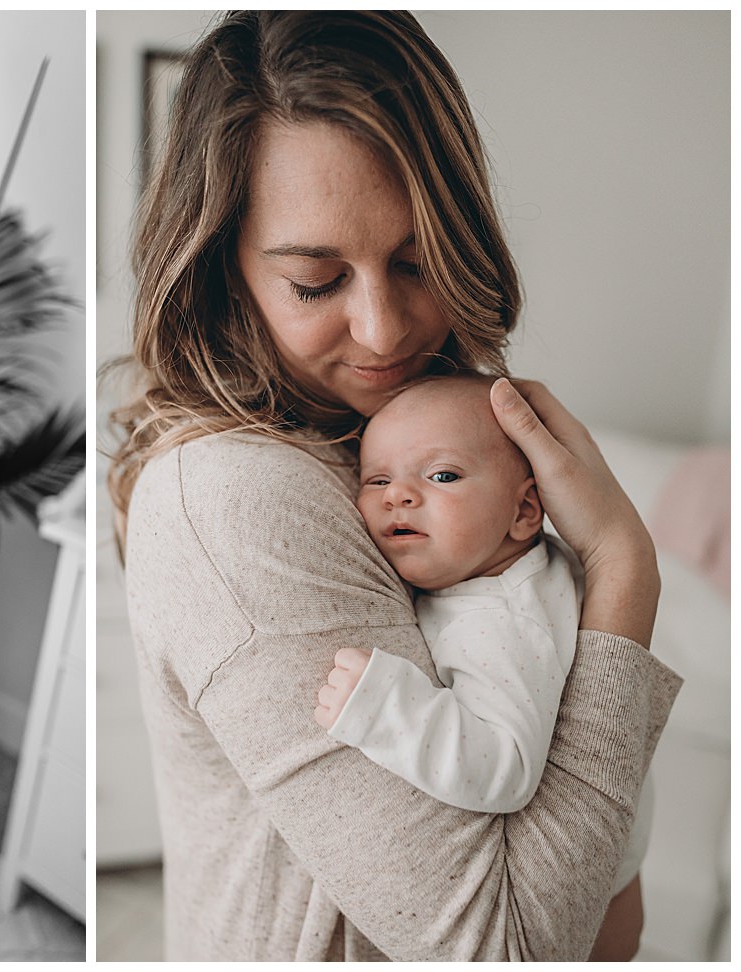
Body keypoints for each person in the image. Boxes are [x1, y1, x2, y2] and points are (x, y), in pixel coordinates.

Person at [106, 11, 680, 961]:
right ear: (223, 271)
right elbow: (506, 950)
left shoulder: (409, 419)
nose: (383, 330)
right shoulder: (239, 498)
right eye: (315, 280)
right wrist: (623, 565)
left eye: (417, 261)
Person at [311, 374, 650, 960]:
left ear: (524, 511)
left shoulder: (500, 618)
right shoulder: (497, 567)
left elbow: (506, 769)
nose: (400, 496)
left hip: (593, 916)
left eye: (442, 475)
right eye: (378, 479)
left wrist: (388, 708)